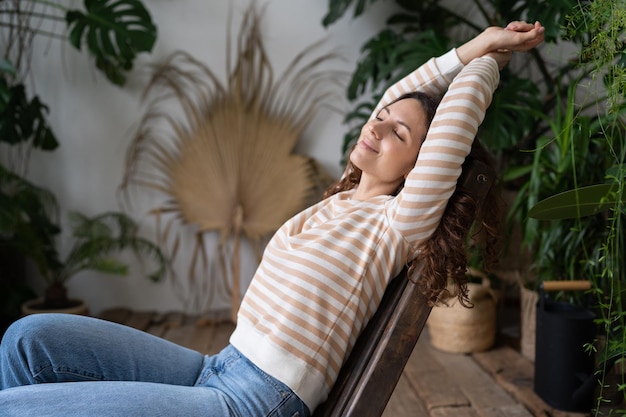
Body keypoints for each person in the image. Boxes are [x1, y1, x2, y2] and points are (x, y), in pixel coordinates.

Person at [0, 21, 544, 417]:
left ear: (424, 165)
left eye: (398, 134)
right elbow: (399, 97)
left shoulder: (398, 221)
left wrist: (489, 54)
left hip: (254, 401)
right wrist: (448, 65)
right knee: (28, 341)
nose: (375, 128)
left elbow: (451, 120)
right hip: (219, 367)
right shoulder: (344, 200)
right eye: (380, 118)